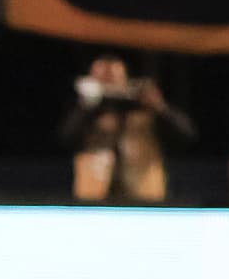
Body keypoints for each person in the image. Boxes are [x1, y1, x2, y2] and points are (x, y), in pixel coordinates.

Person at [61, 55, 197, 204]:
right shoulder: (86, 112)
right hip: (93, 200)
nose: (108, 83)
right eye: (102, 78)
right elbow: (66, 139)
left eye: (113, 77)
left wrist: (160, 107)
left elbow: (186, 136)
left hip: (145, 200)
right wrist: (86, 106)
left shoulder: (145, 111)